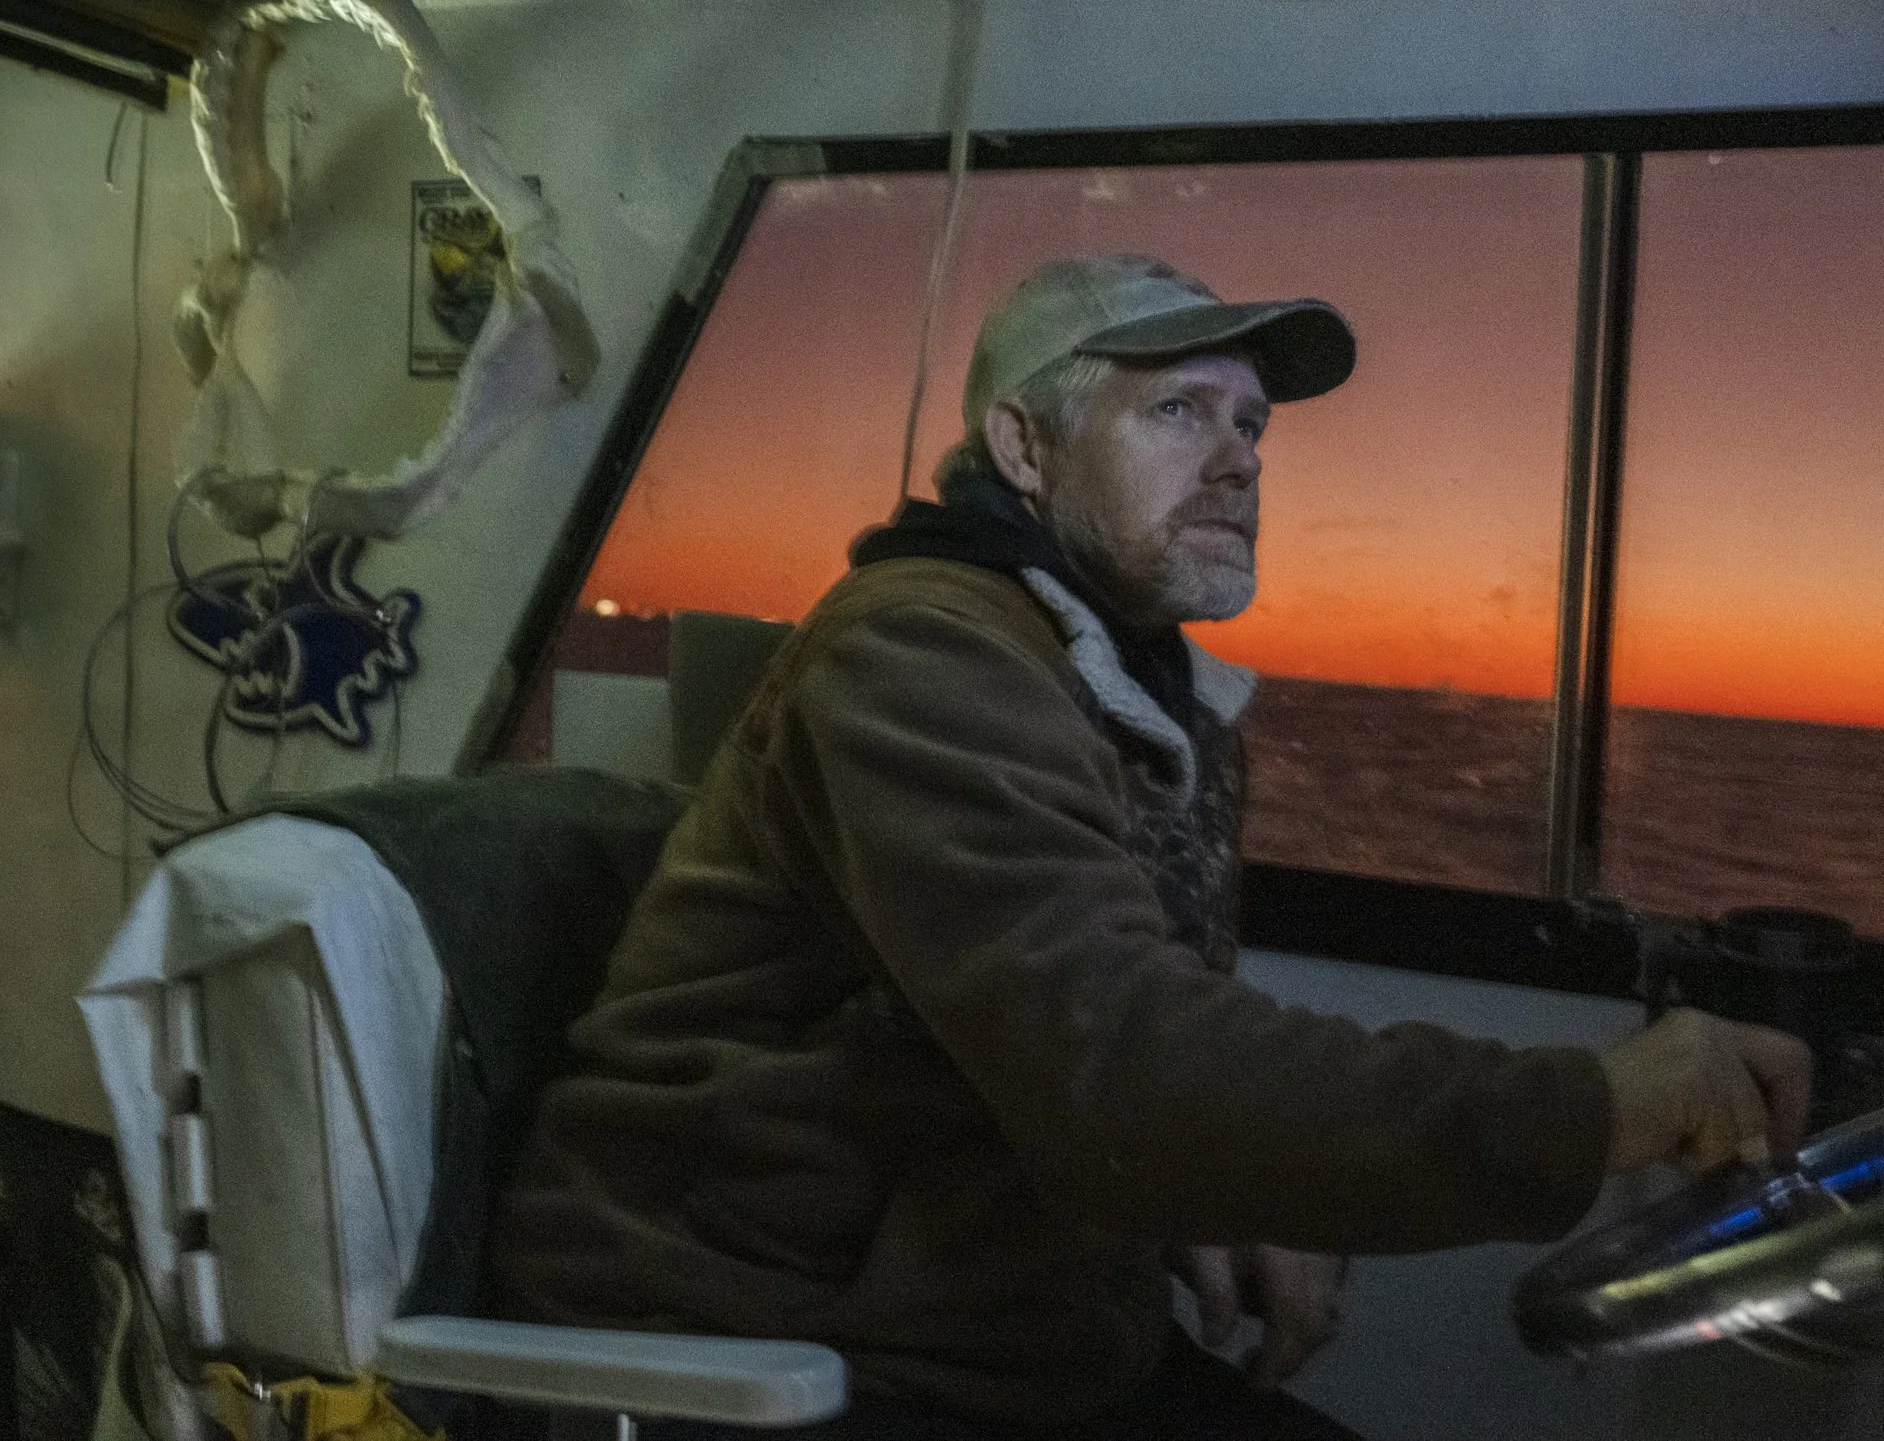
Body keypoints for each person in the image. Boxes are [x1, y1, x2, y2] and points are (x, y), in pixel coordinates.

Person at [493, 254, 1812, 1439]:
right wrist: (1604, 1102)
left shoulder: (1146, 693)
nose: (1241, 461)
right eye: (1178, 411)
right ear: (1023, 445)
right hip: (757, 1340)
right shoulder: (922, 651)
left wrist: (1211, 1191)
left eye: (1251, 424)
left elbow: (1087, 1043)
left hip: (1005, 1332)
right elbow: (1116, 1063)